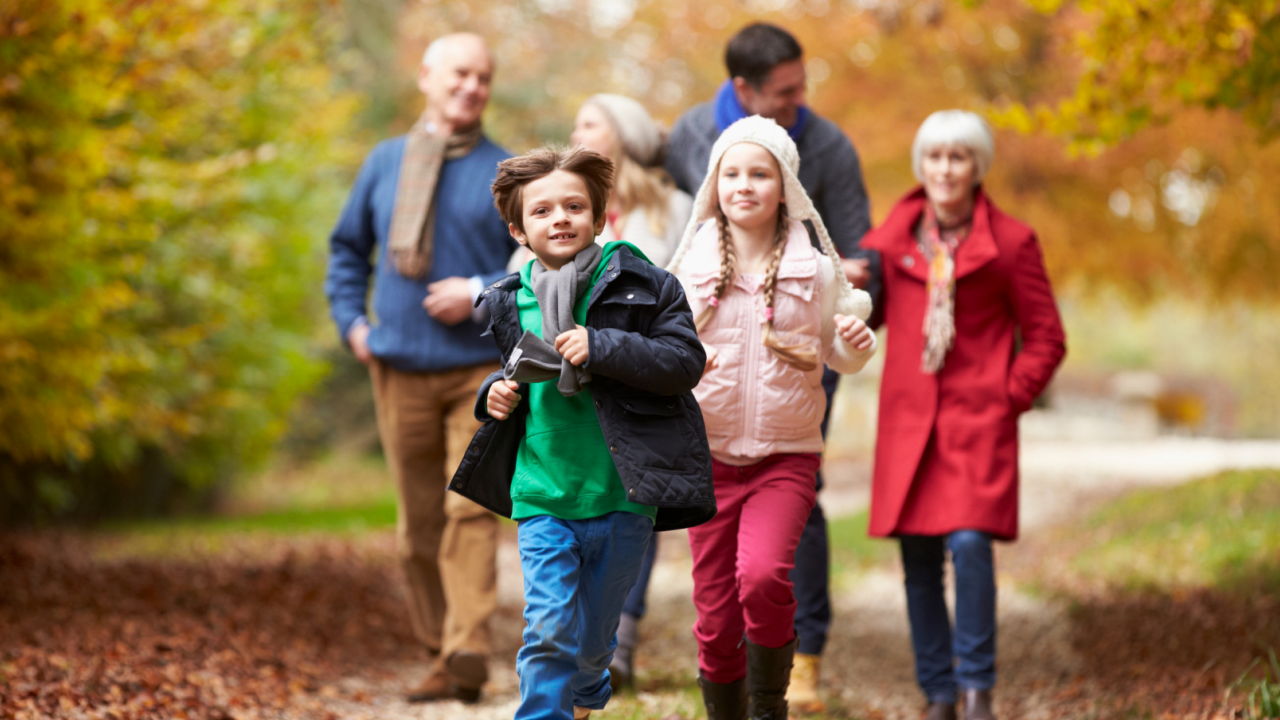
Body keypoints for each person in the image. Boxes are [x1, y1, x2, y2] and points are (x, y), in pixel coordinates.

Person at [448, 145, 716, 720]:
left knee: (593, 641)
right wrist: (491, 395)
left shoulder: (647, 284)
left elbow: (684, 362)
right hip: (543, 494)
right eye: (542, 211)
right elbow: (518, 372)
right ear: (519, 229)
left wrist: (603, 346)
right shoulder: (506, 300)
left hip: (620, 495)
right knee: (547, 629)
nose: (560, 218)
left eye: (574, 206)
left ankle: (588, 687)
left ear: (599, 217)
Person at [657, 23, 879, 711]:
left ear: (786, 188)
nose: (746, 186)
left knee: (761, 578)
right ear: (713, 184)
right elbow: (659, 353)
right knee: (715, 607)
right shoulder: (689, 270)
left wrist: (853, 342)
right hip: (707, 457)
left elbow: (839, 349)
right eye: (733, 174)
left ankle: (770, 701)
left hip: (785, 454)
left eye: (762, 175)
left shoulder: (813, 269)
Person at [324, 33, 516, 704]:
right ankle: (440, 648)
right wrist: (352, 324)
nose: (473, 87)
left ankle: (468, 650)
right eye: (461, 74)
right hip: (397, 368)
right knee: (416, 527)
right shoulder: (384, 162)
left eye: (484, 78)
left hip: (477, 372)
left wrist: (477, 290)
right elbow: (348, 248)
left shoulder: (506, 172)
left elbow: (535, 265)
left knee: (470, 510)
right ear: (428, 77)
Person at [859, 110, 1066, 720]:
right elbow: (858, 321)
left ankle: (977, 690)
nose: (945, 169)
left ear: (978, 167)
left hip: (979, 420)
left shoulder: (1012, 244)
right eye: (935, 157)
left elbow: (1048, 337)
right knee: (919, 557)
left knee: (971, 545)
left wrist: (1009, 397)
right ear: (920, 166)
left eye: (958, 157)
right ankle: (939, 695)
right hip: (908, 424)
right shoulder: (886, 243)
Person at [571, 94, 693, 268]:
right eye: (576, 128)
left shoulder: (675, 206)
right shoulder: (565, 205)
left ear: (624, 137)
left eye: (589, 126)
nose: (575, 136)